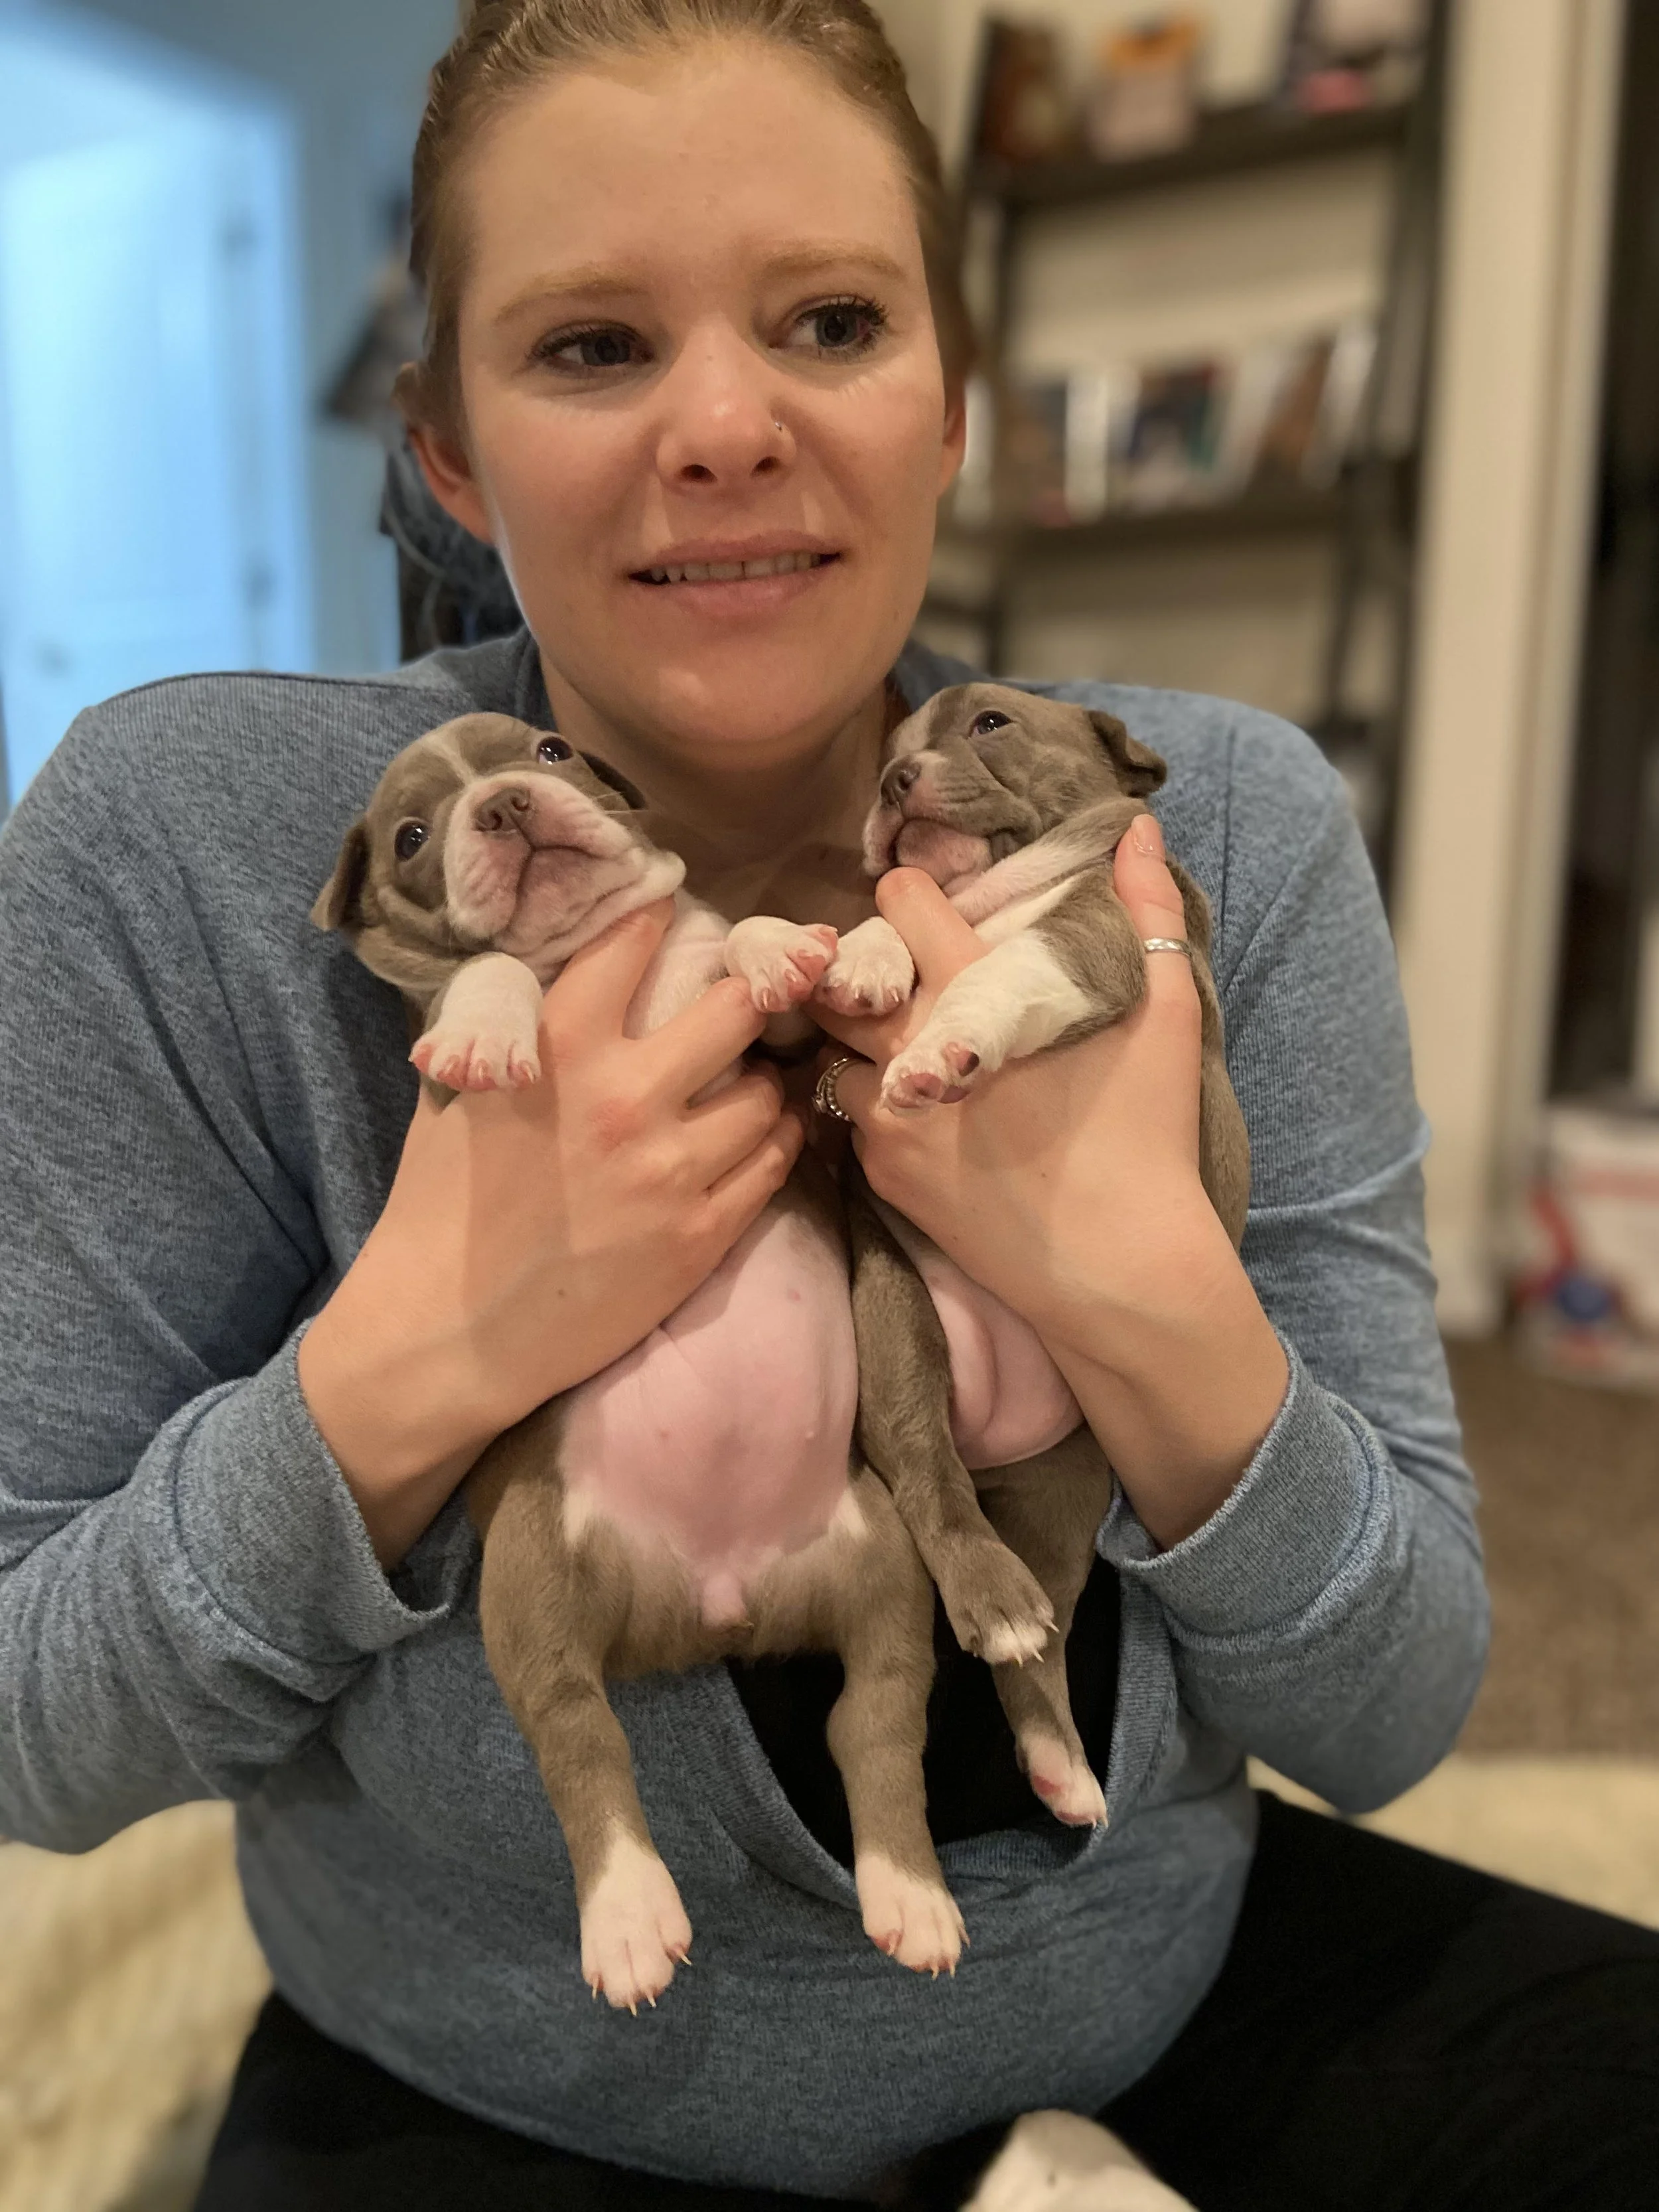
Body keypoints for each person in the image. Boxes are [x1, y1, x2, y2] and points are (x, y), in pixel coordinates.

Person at [0, 3, 1652, 2207]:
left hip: (1154, 1989)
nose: (723, 425)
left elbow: (1389, 1704)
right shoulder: (192, 844)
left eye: (834, 318)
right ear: (449, 452)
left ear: (953, 403)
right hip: (504, 2063)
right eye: (591, 345)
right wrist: (434, 1346)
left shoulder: (1213, 826)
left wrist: (1137, 1290)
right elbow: (36, 1712)